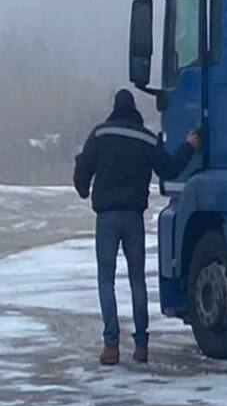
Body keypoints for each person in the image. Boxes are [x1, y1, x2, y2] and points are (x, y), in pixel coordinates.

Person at [73, 88, 201, 366]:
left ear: (114, 108)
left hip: (106, 217)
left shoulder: (99, 134)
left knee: (106, 280)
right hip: (133, 218)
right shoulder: (145, 138)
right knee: (136, 281)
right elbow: (168, 168)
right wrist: (189, 146)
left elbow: (83, 172)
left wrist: (82, 184)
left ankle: (111, 345)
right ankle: (141, 345)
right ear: (133, 109)